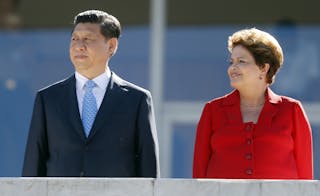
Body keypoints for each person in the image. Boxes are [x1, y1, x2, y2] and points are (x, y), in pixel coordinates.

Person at [22, 10, 159, 177]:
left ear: (111, 46)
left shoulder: (136, 100)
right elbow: (33, 166)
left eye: (88, 39)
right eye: (74, 38)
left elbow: (149, 170)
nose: (79, 45)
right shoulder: (48, 99)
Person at [193, 28, 313, 179]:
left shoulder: (292, 110)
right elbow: (199, 175)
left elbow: (305, 179)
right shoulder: (212, 111)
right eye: (232, 62)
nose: (232, 68)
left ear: (264, 68)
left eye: (241, 61)